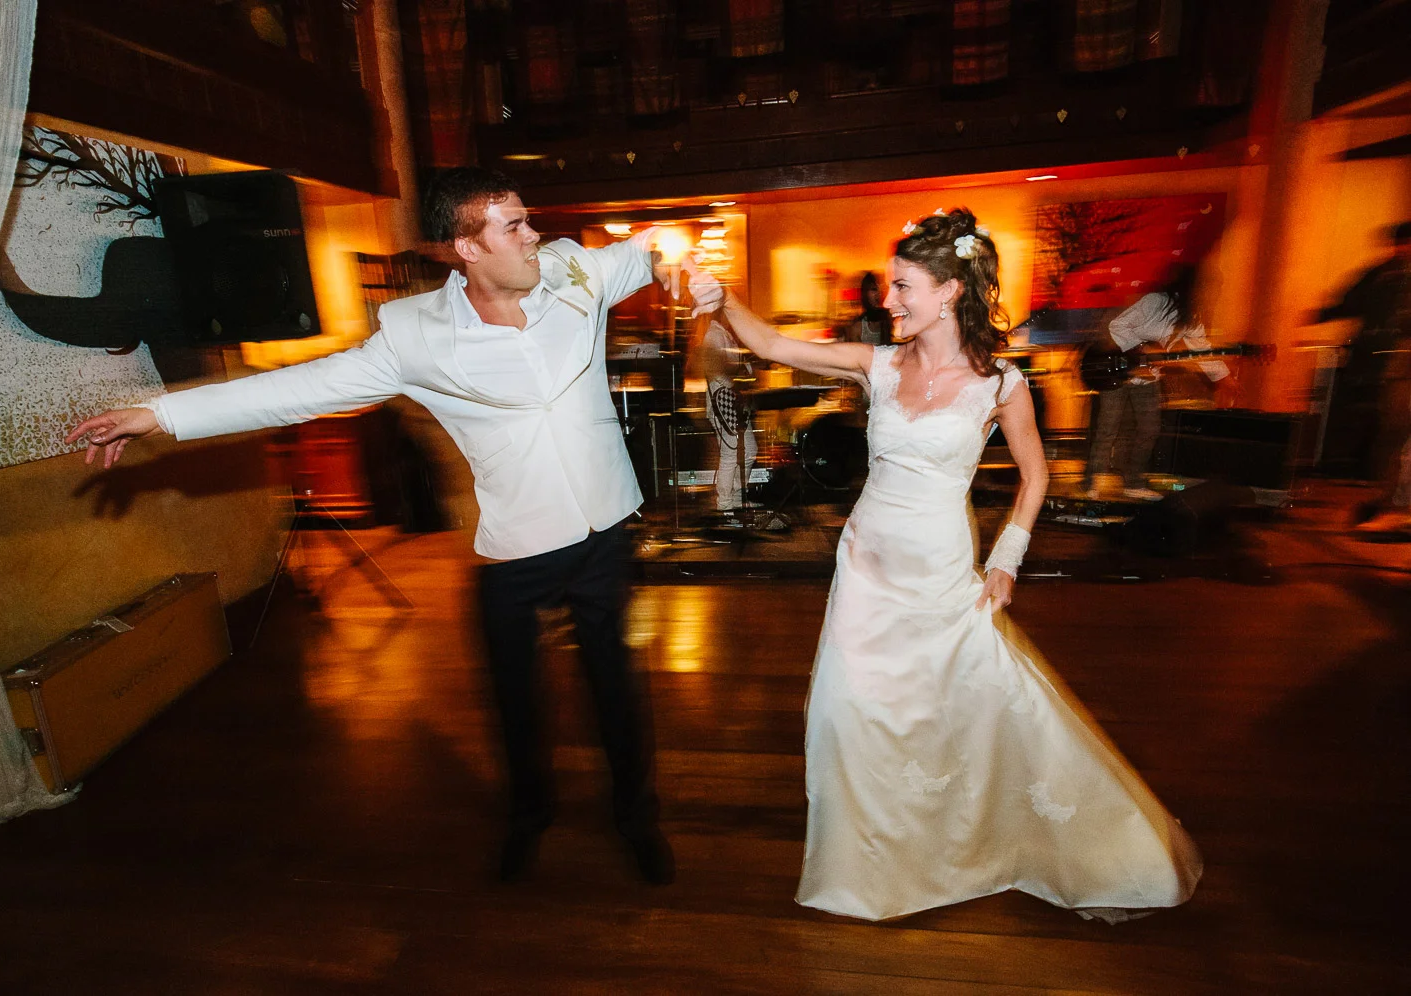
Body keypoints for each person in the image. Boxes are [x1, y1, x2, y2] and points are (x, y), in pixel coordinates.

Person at [66, 167, 722, 884]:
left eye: (527, 219)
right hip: (516, 546)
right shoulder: (414, 337)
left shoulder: (575, 272)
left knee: (616, 686)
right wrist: (161, 413)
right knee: (515, 699)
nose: (534, 234)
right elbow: (302, 388)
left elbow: (653, 246)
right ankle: (529, 818)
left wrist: (684, 269)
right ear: (467, 247)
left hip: (603, 531)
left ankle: (636, 820)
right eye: (513, 225)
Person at [697, 209, 1202, 922]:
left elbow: (1035, 475)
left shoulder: (1001, 384)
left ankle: (970, 841)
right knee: (848, 709)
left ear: (950, 291)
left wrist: (1007, 560)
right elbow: (773, 343)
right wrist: (723, 298)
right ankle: (867, 862)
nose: (890, 300)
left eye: (903, 286)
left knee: (953, 707)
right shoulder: (878, 364)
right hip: (865, 564)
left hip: (939, 567)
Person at [1081, 265, 1234, 501]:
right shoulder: (1156, 301)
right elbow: (1118, 325)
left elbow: (1200, 348)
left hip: (1148, 377)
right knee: (1108, 428)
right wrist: (1143, 349)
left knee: (1149, 428)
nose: (1211, 293)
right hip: (1118, 371)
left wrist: (1224, 376)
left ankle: (1133, 482)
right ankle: (1092, 481)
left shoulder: (1191, 318)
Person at [1314, 221, 1411, 531]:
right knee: (1391, 438)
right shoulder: (1382, 275)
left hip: (1396, 368)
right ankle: (1390, 502)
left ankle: (1396, 506)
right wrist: (1322, 314)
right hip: (1389, 367)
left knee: (1397, 438)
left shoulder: (1390, 276)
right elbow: (1354, 302)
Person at [686, 313, 756, 514]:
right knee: (731, 454)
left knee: (747, 451)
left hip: (731, 403)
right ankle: (726, 503)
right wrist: (736, 385)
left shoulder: (724, 334)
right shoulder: (715, 334)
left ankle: (734, 499)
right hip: (724, 403)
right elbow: (714, 369)